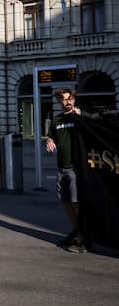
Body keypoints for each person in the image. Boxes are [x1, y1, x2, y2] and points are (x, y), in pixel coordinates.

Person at [46, 88, 97, 253]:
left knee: (76, 202)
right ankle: (77, 230)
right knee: (65, 201)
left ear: (74, 100)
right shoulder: (57, 120)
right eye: (63, 100)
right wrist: (49, 140)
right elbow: (51, 135)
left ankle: (83, 234)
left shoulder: (80, 117)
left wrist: (82, 115)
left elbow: (96, 123)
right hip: (62, 167)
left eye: (70, 99)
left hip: (76, 167)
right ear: (59, 102)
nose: (67, 102)